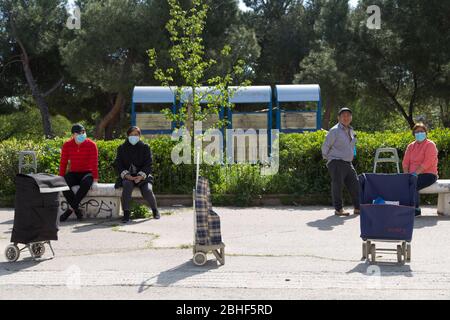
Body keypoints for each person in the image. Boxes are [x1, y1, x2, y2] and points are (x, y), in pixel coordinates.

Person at [114, 126, 160, 223]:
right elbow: (118, 164)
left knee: (147, 190)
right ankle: (126, 214)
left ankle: (155, 210)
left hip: (143, 177)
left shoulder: (145, 147)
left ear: (139, 136)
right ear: (127, 136)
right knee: (126, 185)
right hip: (128, 176)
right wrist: (126, 175)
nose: (133, 137)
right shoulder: (121, 148)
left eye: (136, 134)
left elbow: (149, 164)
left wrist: (140, 176)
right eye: (131, 135)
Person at [321, 107, 360, 216]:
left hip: (348, 162)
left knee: (355, 184)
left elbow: (352, 146)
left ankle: (358, 208)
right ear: (338, 118)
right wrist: (329, 160)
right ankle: (339, 209)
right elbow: (325, 146)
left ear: (351, 117)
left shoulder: (351, 130)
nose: (346, 117)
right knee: (337, 185)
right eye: (343, 116)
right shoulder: (334, 130)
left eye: (348, 115)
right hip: (336, 161)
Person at [59, 124, 98, 221]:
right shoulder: (67, 145)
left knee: (86, 183)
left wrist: (95, 180)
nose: (82, 134)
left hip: (87, 173)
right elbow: (63, 163)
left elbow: (94, 163)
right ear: (73, 135)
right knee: (64, 183)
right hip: (74, 172)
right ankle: (76, 210)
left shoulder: (92, 145)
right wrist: (60, 177)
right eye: (79, 133)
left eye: (83, 132)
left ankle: (70, 210)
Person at [402, 122, 438, 216]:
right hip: (412, 175)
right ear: (414, 134)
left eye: (422, 131)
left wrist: (414, 174)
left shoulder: (430, 145)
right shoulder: (411, 146)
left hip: (429, 174)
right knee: (403, 182)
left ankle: (415, 209)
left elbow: (427, 162)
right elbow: (405, 163)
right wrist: (407, 175)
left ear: (426, 133)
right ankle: (405, 207)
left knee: (414, 182)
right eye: (417, 132)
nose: (419, 133)